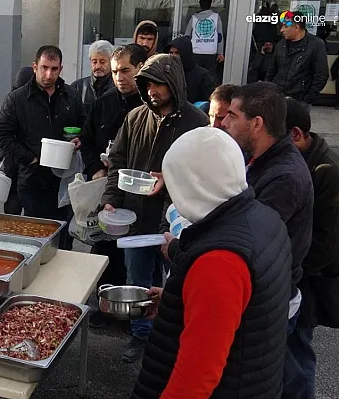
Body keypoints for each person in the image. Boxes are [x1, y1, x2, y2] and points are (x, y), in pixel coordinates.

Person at [131, 127, 292, 399]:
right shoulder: (263, 217)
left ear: (192, 185)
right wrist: (180, 300)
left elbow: (195, 380)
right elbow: (246, 310)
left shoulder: (218, 261)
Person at [102, 54, 209, 362]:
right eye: (147, 84)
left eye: (158, 84)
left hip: (178, 224)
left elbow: (200, 176)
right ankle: (140, 336)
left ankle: (172, 340)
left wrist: (170, 215)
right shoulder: (135, 117)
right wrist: (111, 200)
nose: (152, 91)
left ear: (173, 83)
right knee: (138, 281)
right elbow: (118, 163)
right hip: (135, 220)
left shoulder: (197, 123)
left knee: (178, 284)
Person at [221, 82, 314, 399]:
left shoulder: (284, 176)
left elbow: (247, 242)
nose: (224, 122)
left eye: (233, 115)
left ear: (257, 123)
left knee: (285, 383)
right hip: (265, 296)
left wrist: (182, 245)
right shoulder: (261, 161)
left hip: (270, 303)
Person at [79, 44, 148, 328]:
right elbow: (87, 139)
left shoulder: (148, 105)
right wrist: (95, 168)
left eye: (126, 71)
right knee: (104, 248)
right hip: (106, 187)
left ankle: (134, 313)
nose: (120, 77)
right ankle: (106, 307)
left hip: (139, 193)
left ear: (141, 69)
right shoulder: (104, 102)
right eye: (116, 71)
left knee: (134, 255)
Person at [0, 45, 87, 250]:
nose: (48, 74)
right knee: (36, 240)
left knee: (63, 241)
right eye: (44, 67)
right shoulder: (17, 98)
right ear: (34, 66)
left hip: (64, 181)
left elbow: (85, 125)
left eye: (54, 69)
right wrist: (30, 158)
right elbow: (1, 135)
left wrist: (80, 138)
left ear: (61, 69)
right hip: (32, 180)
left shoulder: (71, 95)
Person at [287, 97, 339, 397]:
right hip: (297, 272)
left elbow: (326, 243)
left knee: (297, 356)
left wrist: (291, 270)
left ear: (296, 134)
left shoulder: (327, 170)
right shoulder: (301, 160)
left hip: (308, 279)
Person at [266, 10, 329, 110]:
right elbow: (272, 69)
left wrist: (307, 99)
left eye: (285, 26)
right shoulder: (281, 44)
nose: (282, 30)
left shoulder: (316, 45)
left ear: (296, 27)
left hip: (299, 100)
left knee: (295, 125)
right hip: (277, 96)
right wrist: (268, 89)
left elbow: (321, 75)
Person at [1, 66, 35, 216]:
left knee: (12, 204)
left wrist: (4, 156)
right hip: (22, 161)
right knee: (23, 203)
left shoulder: (11, 99)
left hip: (12, 161)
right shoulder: (23, 100)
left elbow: (1, 133)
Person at [164, 36, 217, 103]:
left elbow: (210, 102)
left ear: (185, 54)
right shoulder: (165, 73)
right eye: (171, 52)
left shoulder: (203, 76)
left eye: (177, 53)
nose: (172, 56)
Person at [71, 40, 116, 114]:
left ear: (111, 62)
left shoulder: (118, 87)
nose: (98, 66)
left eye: (102, 62)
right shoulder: (77, 87)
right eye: (94, 62)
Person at [184, 0, 225, 75]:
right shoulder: (216, 17)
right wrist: (220, 53)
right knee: (209, 77)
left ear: (200, 4)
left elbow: (187, 36)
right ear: (210, 4)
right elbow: (219, 37)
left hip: (196, 52)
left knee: (196, 76)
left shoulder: (194, 18)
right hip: (211, 52)